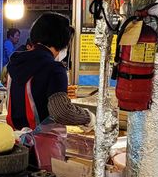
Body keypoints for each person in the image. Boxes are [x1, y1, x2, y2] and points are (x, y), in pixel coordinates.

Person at [6, 14, 93, 165]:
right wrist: (88, 118)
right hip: (43, 151)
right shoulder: (54, 68)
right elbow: (61, 112)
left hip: (15, 146)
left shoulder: (15, 63)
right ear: (61, 41)